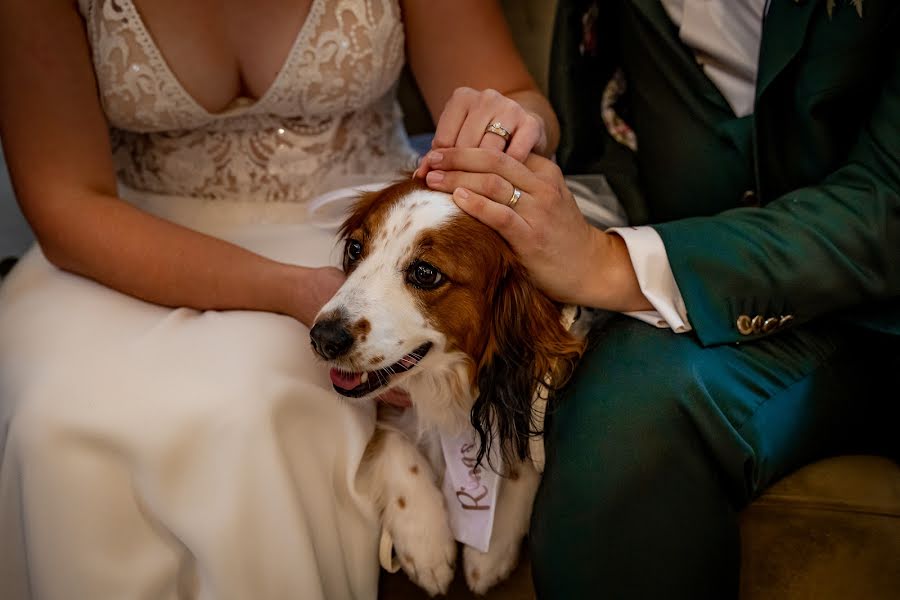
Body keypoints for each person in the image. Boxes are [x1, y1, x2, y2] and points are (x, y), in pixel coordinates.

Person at [0, 1, 560, 598]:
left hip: (355, 230)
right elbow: (66, 208)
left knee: (252, 410)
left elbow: (518, 98)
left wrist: (513, 124)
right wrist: (295, 290)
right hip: (117, 245)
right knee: (56, 423)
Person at [418, 0, 900, 597]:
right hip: (695, 317)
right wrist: (524, 146)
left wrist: (605, 261)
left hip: (879, 320)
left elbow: (889, 205)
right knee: (619, 407)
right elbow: (612, 145)